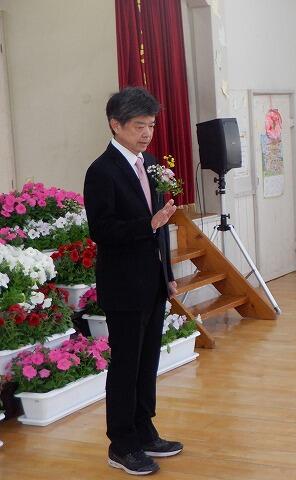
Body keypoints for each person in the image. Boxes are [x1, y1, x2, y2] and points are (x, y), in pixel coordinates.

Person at [84, 86, 182, 475]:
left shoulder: (150, 163)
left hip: (152, 282)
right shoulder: (101, 171)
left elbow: (162, 227)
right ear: (115, 124)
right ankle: (121, 444)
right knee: (126, 366)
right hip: (123, 285)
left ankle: (144, 430)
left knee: (147, 362)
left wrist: (167, 274)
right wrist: (148, 224)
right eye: (139, 125)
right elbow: (102, 230)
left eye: (151, 125)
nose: (147, 133)